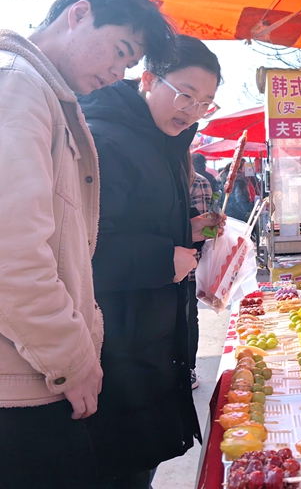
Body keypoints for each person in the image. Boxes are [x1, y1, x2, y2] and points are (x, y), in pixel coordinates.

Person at [0, 0, 174, 488]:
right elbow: (12, 258)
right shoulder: (18, 88)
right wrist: (73, 360)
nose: (119, 73)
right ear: (79, 15)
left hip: (33, 375)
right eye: (120, 50)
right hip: (22, 387)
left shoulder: (41, 93)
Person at [79, 35, 224, 487]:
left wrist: (191, 229)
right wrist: (165, 258)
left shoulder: (166, 142)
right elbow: (84, 245)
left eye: (204, 103)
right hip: (115, 346)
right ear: (147, 79)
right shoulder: (108, 139)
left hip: (151, 340)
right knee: (119, 468)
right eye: (184, 93)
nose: (191, 109)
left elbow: (144, 221)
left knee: (141, 466)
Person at [188, 158, 214, 390]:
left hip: (188, 264)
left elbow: (204, 228)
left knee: (187, 316)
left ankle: (188, 368)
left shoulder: (198, 182)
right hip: (161, 262)